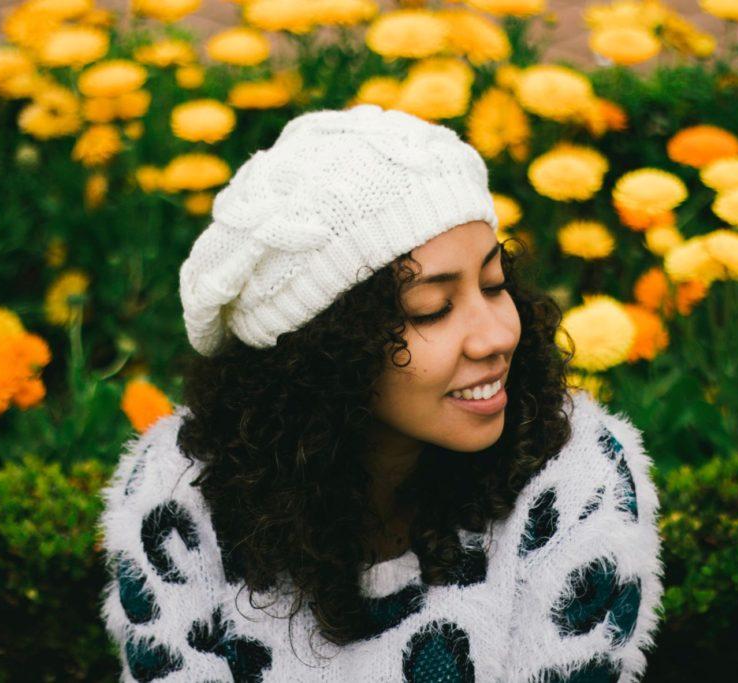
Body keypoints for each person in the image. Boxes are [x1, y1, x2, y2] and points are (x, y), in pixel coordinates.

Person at [97, 103, 664, 682]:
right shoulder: (180, 495)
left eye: (494, 284)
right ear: (326, 352)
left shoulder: (573, 481)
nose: (497, 335)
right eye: (432, 309)